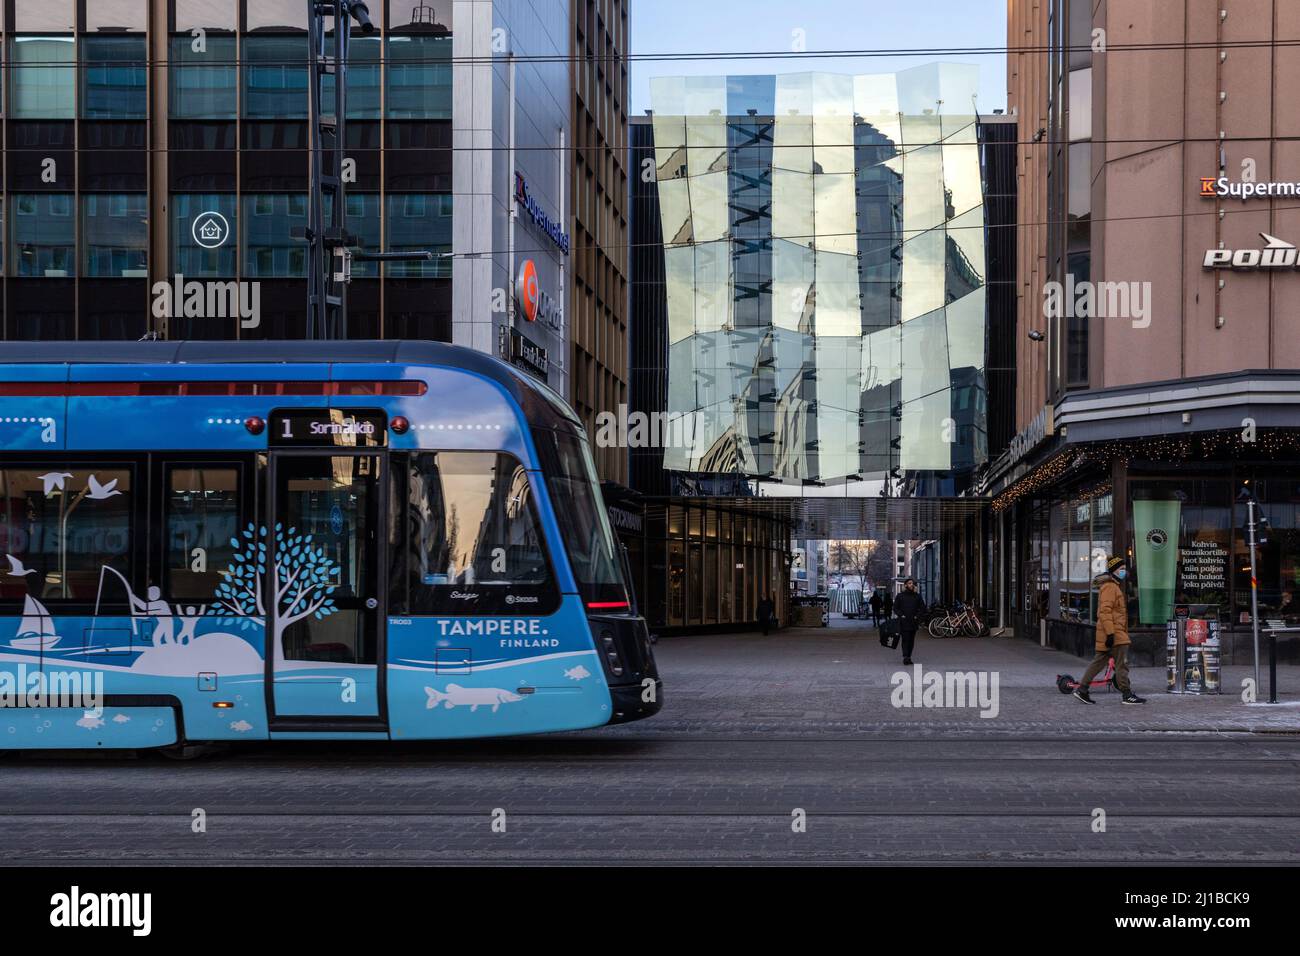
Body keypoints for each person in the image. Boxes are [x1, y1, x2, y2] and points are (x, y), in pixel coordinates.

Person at [1074, 555, 1146, 705]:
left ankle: (1082, 690)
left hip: (1111, 632)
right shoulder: (1110, 587)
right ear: (1114, 571)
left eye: (1125, 569)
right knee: (1121, 665)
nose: (1124, 572)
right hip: (1115, 632)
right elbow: (1105, 612)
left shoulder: (1112, 586)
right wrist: (1111, 633)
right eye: (1121, 569)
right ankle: (1127, 695)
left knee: (1098, 663)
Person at [892, 579, 925, 666]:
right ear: (905, 585)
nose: (912, 585)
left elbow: (922, 608)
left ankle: (909, 656)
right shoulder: (900, 596)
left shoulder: (917, 596)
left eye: (913, 583)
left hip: (913, 622)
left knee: (911, 640)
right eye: (910, 583)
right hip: (904, 621)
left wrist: (917, 616)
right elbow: (895, 608)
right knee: (905, 639)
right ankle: (906, 656)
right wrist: (901, 615)